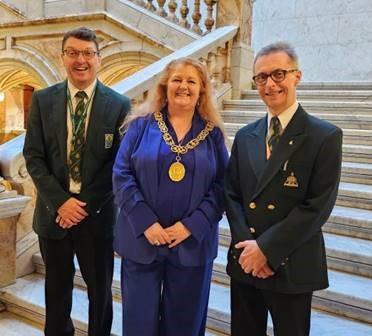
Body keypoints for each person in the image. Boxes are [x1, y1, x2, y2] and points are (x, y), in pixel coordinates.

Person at [224, 42, 343, 336]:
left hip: (291, 263)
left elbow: (317, 206)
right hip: (246, 263)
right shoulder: (245, 135)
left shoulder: (324, 136)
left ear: (296, 76)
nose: (270, 84)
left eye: (278, 74)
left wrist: (266, 249)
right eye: (261, 77)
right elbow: (231, 194)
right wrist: (248, 251)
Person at [23, 27, 130, 335]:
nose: (80, 60)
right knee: (56, 294)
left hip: (96, 216)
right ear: (63, 58)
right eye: (73, 53)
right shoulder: (44, 100)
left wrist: (80, 206)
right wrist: (61, 202)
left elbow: (117, 165)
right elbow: (33, 156)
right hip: (53, 214)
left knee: (101, 294)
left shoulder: (119, 104)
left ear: (98, 59)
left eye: (87, 53)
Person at [113, 57, 229, 336]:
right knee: (139, 324)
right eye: (177, 79)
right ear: (165, 86)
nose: (184, 86)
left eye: (192, 81)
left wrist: (192, 225)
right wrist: (146, 223)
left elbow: (224, 186)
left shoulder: (212, 135)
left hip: (192, 245)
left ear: (202, 90)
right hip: (142, 242)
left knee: (185, 326)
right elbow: (121, 174)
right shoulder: (140, 126)